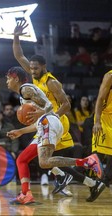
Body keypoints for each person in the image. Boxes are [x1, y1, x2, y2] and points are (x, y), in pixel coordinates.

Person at [13, 20, 106, 199]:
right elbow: (19, 56)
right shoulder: (34, 77)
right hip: (46, 122)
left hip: (55, 122)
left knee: (44, 160)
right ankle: (91, 183)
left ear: (44, 67)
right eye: (31, 69)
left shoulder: (51, 82)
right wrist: (16, 36)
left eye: (36, 68)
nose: (32, 71)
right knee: (49, 162)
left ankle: (70, 174)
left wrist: (49, 115)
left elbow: (67, 105)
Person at [6, 67, 105, 205]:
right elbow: (39, 120)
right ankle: (26, 194)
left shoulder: (25, 89)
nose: (7, 81)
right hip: (45, 125)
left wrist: (41, 112)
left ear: (16, 78)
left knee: (44, 162)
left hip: (49, 123)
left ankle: (86, 163)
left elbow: (48, 107)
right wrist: (20, 131)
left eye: (8, 78)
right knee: (22, 159)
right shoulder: (24, 95)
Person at [92, 70, 112, 187]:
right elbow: (100, 99)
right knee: (98, 151)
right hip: (104, 117)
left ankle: (106, 180)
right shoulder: (110, 76)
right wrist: (97, 121)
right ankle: (89, 179)